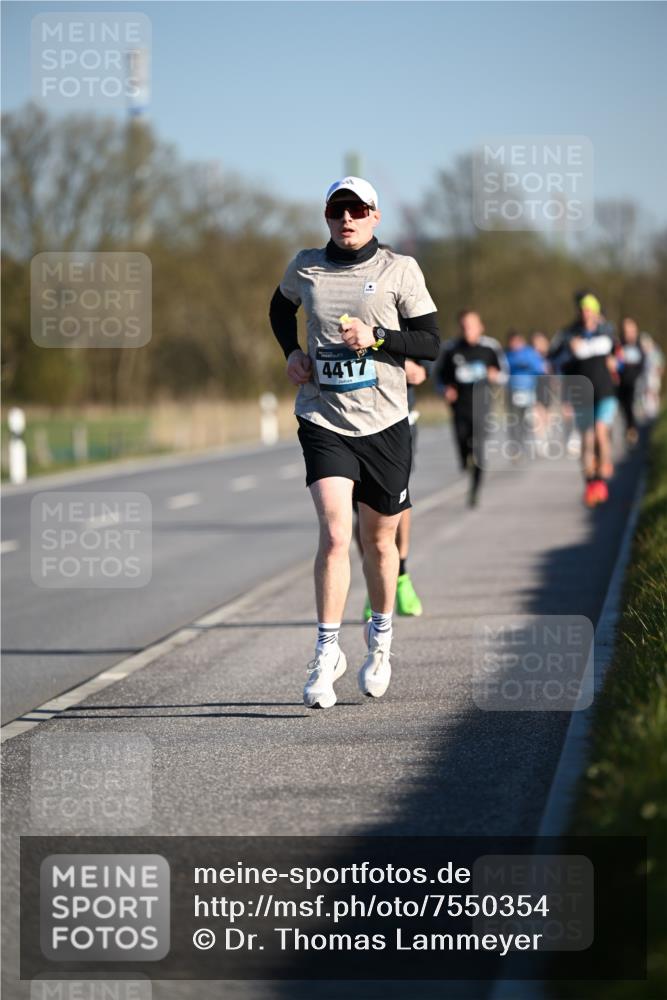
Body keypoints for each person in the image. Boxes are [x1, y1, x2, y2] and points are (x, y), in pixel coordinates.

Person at [269, 176, 439, 708]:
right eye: (337, 210)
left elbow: (431, 342)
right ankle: (326, 651)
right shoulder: (306, 266)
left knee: (380, 541)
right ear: (326, 216)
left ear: (375, 217)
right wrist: (291, 354)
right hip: (324, 417)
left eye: (358, 210)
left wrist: (379, 339)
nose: (347, 219)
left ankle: (380, 643)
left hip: (386, 422)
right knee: (336, 533)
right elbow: (279, 310)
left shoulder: (399, 270)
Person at [357, 356, 428, 621]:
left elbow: (422, 369)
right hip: (353, 419)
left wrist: (409, 367)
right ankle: (374, 579)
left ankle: (401, 576)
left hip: (398, 418)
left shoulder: (404, 315)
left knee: (396, 502)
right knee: (360, 510)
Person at [434, 310, 506, 506]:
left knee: (479, 451)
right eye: (464, 326)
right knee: (463, 445)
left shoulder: (490, 347)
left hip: (483, 407)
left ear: (480, 326)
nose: (468, 330)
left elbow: (504, 374)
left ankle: (475, 490)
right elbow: (438, 377)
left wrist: (495, 376)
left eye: (472, 325)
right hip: (459, 408)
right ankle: (466, 463)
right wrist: (445, 390)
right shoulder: (451, 349)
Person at [557, 294, 619, 506]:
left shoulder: (607, 332)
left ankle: (601, 479)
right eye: (583, 310)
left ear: (596, 311)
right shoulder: (570, 335)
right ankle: (590, 482)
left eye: (589, 310)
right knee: (587, 439)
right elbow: (562, 365)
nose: (586, 314)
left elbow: (618, 355)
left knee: (601, 431)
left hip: (605, 391)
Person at [504, 330, 546, 459]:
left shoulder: (530, 353)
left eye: (517, 342)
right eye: (512, 343)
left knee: (532, 419)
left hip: (530, 392)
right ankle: (517, 447)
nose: (514, 345)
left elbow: (540, 370)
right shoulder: (506, 355)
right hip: (513, 392)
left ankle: (538, 444)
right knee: (515, 421)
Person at [615, 317, 645, 445]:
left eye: (631, 330)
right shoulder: (619, 346)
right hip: (622, 383)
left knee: (632, 406)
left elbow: (643, 365)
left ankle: (633, 430)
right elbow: (616, 363)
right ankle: (629, 429)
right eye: (626, 331)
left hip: (636, 383)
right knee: (625, 408)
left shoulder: (640, 345)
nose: (629, 333)